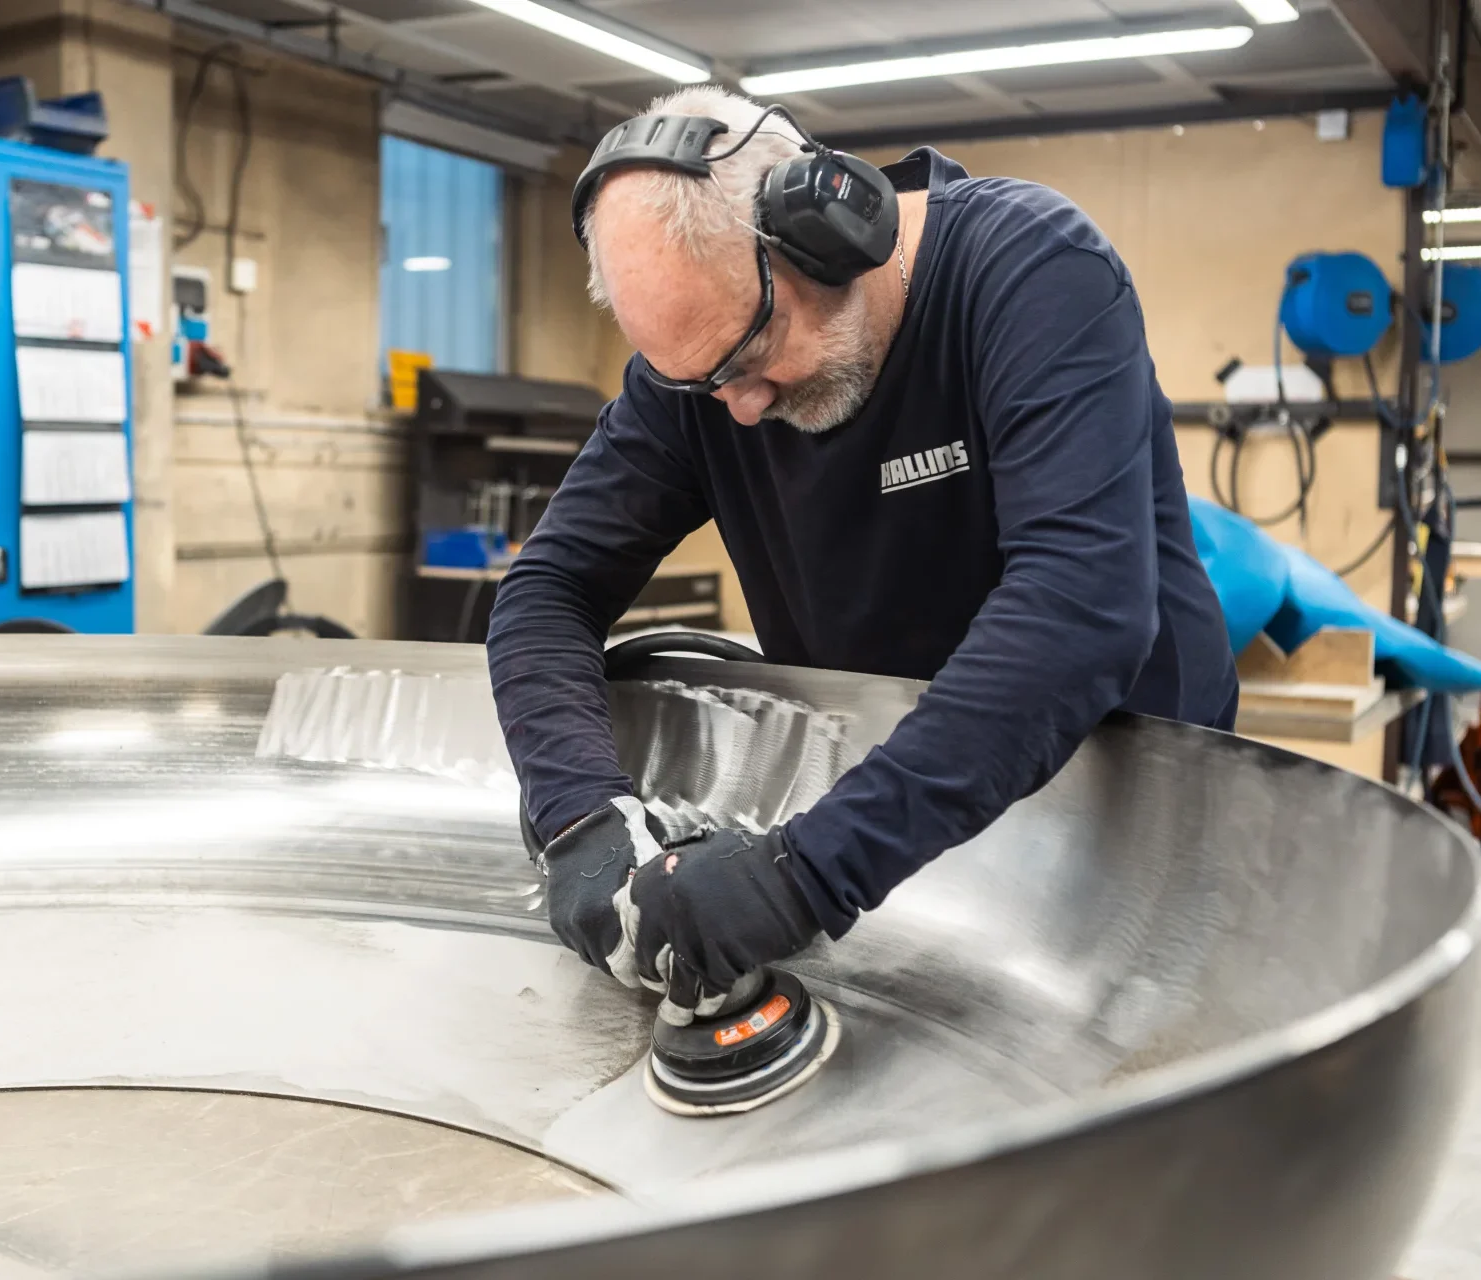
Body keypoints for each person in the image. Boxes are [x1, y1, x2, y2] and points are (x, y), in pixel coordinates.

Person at [485, 85, 1238, 1016]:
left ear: (828, 224)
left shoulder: (1034, 271)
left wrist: (801, 877)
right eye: (701, 381)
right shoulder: (705, 382)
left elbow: (1076, 612)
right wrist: (581, 822)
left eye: (752, 350)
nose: (742, 407)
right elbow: (548, 589)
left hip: (1124, 813)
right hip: (896, 820)